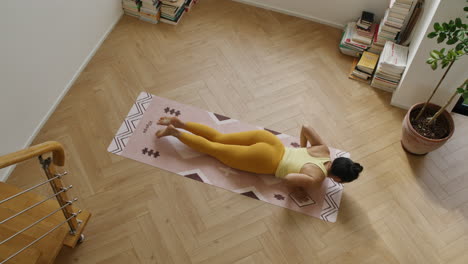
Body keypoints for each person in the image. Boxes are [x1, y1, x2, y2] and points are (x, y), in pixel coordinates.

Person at [156, 117, 362, 188]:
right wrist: (301, 185)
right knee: (213, 149)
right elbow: (289, 178)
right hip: (266, 161)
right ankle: (174, 132)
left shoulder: (324, 150)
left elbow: (306, 127)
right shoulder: (316, 178)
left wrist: (301, 147)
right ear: (337, 178)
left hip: (271, 142)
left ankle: (180, 122)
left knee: (219, 137)